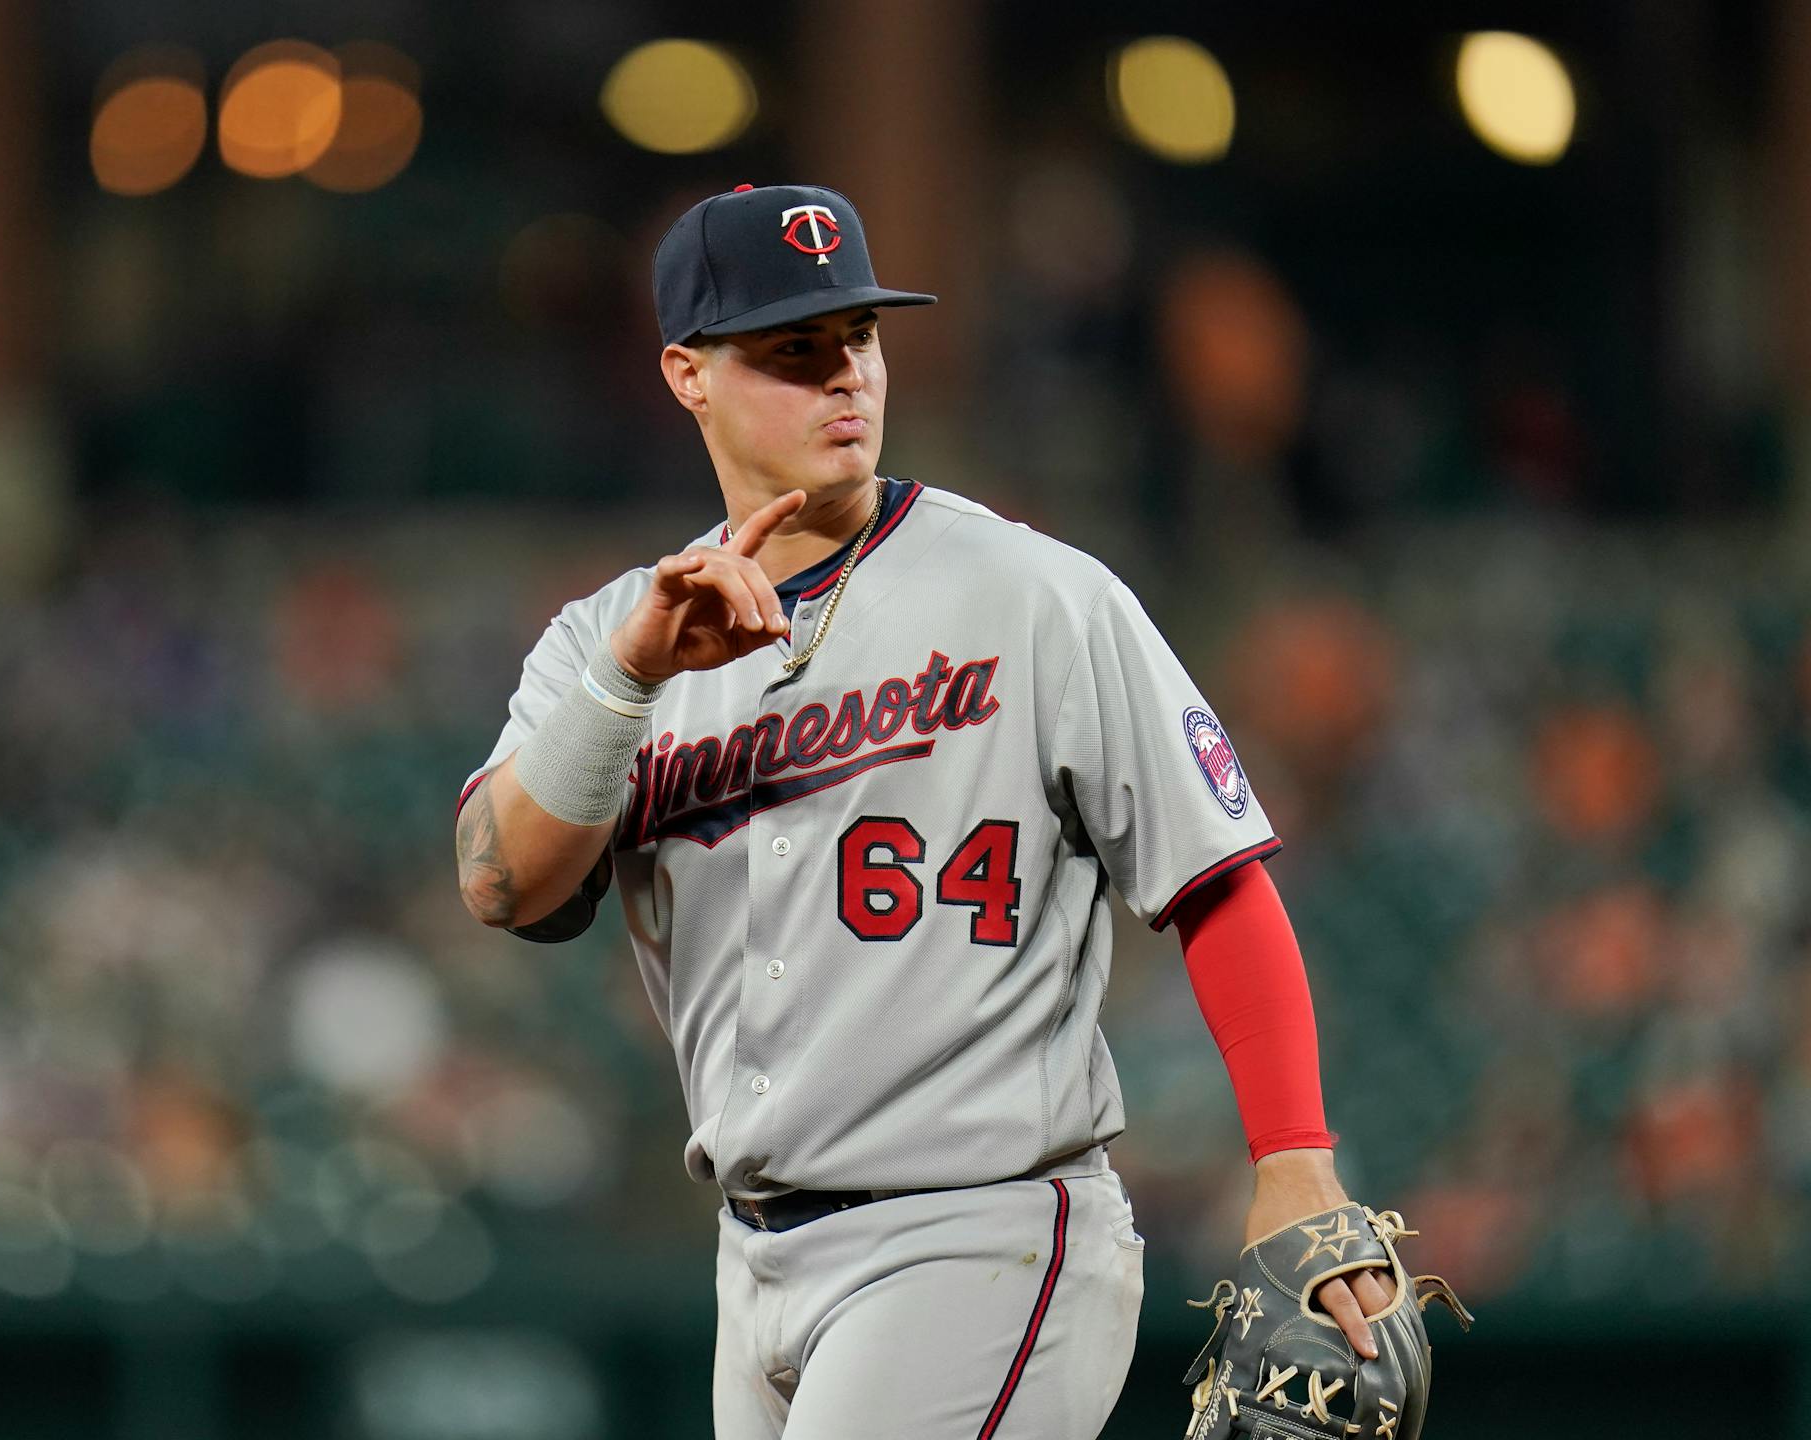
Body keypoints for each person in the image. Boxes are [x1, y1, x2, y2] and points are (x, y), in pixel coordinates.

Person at [455, 182, 1391, 1438]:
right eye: (795, 351)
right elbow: (501, 882)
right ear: (687, 373)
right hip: (756, 1257)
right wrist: (627, 681)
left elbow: (1214, 878)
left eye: (860, 339)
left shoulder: (1033, 594)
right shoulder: (613, 640)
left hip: (980, 1230)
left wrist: (1294, 1160)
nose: (845, 376)